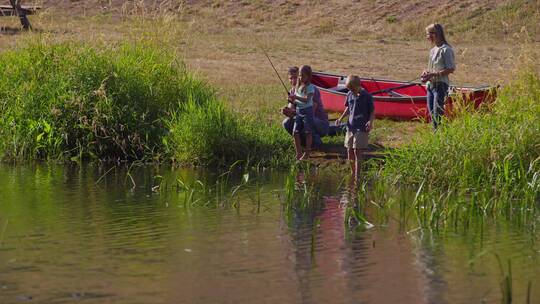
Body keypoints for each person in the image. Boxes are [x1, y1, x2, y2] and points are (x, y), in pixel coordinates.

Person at [336, 75, 374, 179]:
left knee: (357, 151)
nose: (351, 91)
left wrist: (370, 122)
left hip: (361, 128)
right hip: (350, 127)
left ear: (358, 86)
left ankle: (357, 174)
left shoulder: (367, 96)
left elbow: (372, 112)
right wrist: (340, 118)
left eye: (352, 89)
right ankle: (352, 173)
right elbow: (348, 108)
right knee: (349, 150)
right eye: (349, 89)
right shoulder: (349, 94)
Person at [281, 67, 329, 150]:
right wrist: (287, 112)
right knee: (286, 123)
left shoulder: (312, 89)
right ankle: (304, 143)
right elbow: (291, 110)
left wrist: (295, 113)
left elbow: (310, 112)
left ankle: (317, 142)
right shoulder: (293, 91)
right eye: (290, 78)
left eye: (295, 77)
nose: (293, 80)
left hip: (320, 123)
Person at [421, 23, 455, 129]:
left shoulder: (446, 49)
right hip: (430, 86)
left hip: (440, 86)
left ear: (437, 34)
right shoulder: (433, 50)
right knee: (432, 115)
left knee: (437, 115)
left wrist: (434, 74)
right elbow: (430, 68)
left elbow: (451, 68)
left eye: (430, 34)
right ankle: (437, 136)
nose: (428, 37)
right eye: (427, 34)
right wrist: (425, 73)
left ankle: (439, 138)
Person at [287, 65, 316, 160]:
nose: (300, 78)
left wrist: (296, 97)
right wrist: (291, 100)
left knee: (308, 132)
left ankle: (307, 153)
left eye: (303, 76)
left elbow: (307, 100)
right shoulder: (297, 87)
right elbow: (296, 102)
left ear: (308, 76)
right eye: (299, 75)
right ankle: (298, 153)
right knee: (295, 132)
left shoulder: (311, 87)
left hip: (308, 112)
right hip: (299, 111)